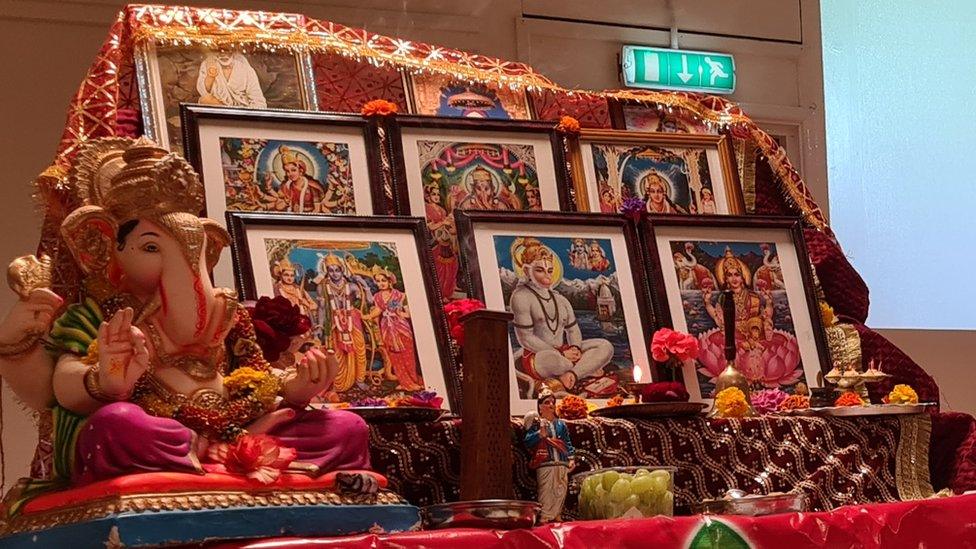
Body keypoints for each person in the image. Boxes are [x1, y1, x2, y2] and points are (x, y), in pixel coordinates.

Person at [509, 238, 614, 393]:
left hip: (565, 351)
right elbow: (525, 338)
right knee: (555, 361)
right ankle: (587, 368)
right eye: (539, 270)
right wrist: (560, 352)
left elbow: (573, 330)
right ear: (526, 271)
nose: (547, 276)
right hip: (539, 356)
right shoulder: (520, 296)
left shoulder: (560, 299)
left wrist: (575, 347)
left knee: (605, 346)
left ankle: (572, 374)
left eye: (549, 271)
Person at [315, 253, 371, 393]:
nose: (335, 274)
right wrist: (320, 326)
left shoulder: (352, 286)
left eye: (337, 270)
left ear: (342, 270)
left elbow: (369, 302)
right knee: (337, 353)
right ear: (327, 272)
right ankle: (339, 381)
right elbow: (321, 308)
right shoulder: (322, 288)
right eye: (331, 270)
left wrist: (364, 285)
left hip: (353, 320)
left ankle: (360, 380)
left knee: (359, 350)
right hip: (334, 321)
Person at [364, 266, 423, 391]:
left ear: (390, 281)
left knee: (407, 355)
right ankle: (403, 381)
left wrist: (401, 314)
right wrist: (365, 316)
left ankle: (412, 380)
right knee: (394, 356)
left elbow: (408, 313)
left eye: (383, 280)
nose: (381, 284)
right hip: (386, 328)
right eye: (378, 281)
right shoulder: (377, 297)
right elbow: (378, 311)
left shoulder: (400, 295)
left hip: (401, 327)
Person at [523, 388, 575, 522]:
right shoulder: (536, 424)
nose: (551, 405)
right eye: (547, 402)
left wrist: (571, 458)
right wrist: (539, 434)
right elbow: (528, 441)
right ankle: (545, 515)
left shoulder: (560, 425)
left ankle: (557, 513)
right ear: (540, 407)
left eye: (552, 402)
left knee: (560, 489)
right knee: (546, 490)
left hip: (561, 463)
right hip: (546, 462)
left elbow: (566, 442)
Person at [263, 147, 341, 213]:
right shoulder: (286, 186)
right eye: (287, 171)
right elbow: (278, 206)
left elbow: (317, 209)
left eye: (293, 170)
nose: (290, 174)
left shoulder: (312, 187)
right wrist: (286, 201)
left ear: (301, 171)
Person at [423, 181, 459, 301]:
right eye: (434, 194)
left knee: (451, 266)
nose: (437, 197)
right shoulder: (426, 209)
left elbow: (448, 220)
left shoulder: (442, 210)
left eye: (438, 194)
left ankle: (446, 294)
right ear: (428, 197)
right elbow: (428, 226)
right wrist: (442, 223)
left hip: (445, 241)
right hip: (434, 242)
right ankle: (436, 293)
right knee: (438, 268)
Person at [196, 50, 267, 108]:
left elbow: (258, 100)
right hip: (218, 114)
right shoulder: (208, 64)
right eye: (219, 49)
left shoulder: (246, 69)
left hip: (241, 114)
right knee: (205, 100)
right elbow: (203, 92)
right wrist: (210, 77)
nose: (223, 53)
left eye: (226, 49)